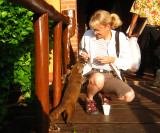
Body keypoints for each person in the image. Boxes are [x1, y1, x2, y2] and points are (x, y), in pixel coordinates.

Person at [79, 10, 135, 115]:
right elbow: (81, 50)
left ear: (108, 27)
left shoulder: (120, 37)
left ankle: (104, 93)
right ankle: (89, 99)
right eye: (93, 29)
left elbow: (128, 63)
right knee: (98, 78)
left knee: (129, 96)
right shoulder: (88, 34)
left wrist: (112, 60)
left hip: (110, 75)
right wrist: (84, 55)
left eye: (98, 30)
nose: (95, 32)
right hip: (91, 72)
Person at [128, 0, 160, 87]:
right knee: (155, 51)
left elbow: (135, 14)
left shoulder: (139, 0)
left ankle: (140, 72)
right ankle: (156, 75)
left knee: (142, 49)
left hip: (143, 26)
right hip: (156, 27)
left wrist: (131, 29)